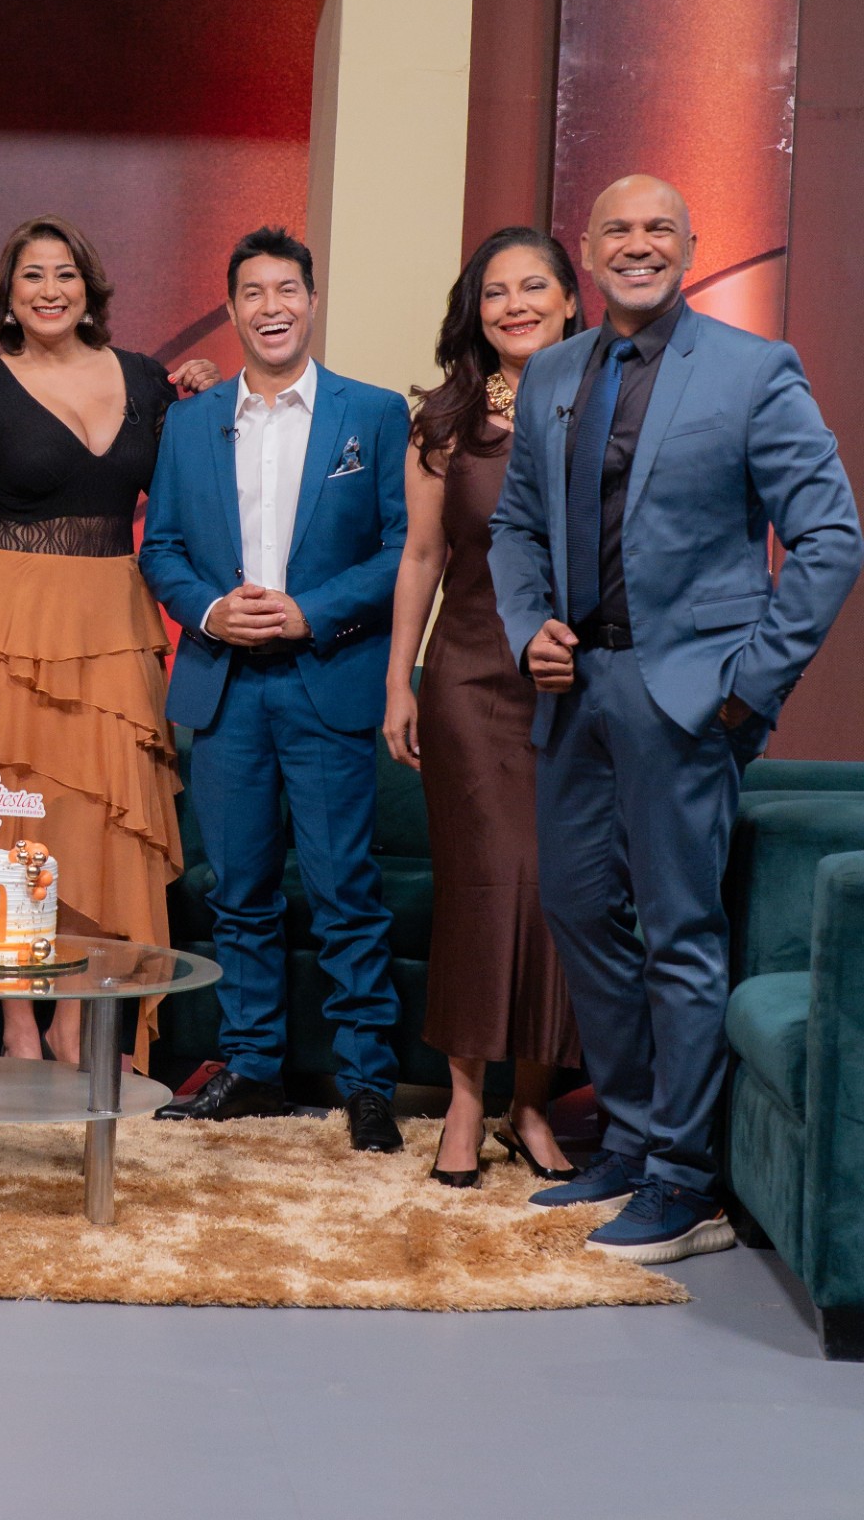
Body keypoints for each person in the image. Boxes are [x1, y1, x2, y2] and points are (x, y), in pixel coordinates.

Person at [489, 174, 862, 1260]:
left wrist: (750, 684)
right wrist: (526, 626)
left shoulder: (753, 369)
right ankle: (633, 1134)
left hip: (689, 698)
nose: (639, 243)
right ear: (588, 249)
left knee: (680, 932)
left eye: (661, 228)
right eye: (618, 228)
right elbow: (516, 526)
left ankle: (685, 1180)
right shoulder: (554, 371)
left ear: (691, 249)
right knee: (577, 907)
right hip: (575, 690)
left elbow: (831, 536)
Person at [0, 215, 217, 1068]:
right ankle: (17, 1023)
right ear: (8, 298)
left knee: (102, 823)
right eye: (32, 276)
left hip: (115, 626)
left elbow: (198, 477)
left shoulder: (150, 382)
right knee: (8, 826)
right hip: (5, 627)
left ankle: (76, 1021)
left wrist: (203, 392)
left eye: (64, 274)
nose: (49, 290)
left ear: (89, 289)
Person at [142, 226, 411, 1153]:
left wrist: (312, 611)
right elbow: (161, 548)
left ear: (312, 300)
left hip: (326, 677)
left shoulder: (372, 414)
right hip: (224, 688)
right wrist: (211, 611)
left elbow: (402, 549)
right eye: (252, 293)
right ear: (231, 309)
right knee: (239, 890)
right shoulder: (190, 423)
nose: (271, 307)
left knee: (345, 890)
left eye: (287, 289)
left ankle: (367, 1082)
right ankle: (252, 1065)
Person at [384, 228, 584, 1188]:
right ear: (477, 311)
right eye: (496, 291)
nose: (516, 305)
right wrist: (399, 680)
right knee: (481, 887)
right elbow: (422, 554)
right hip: (467, 675)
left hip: (575, 682)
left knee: (557, 890)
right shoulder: (444, 420)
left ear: (570, 299)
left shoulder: (611, 405)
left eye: (534, 286)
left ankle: (530, 1106)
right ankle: (465, 1105)